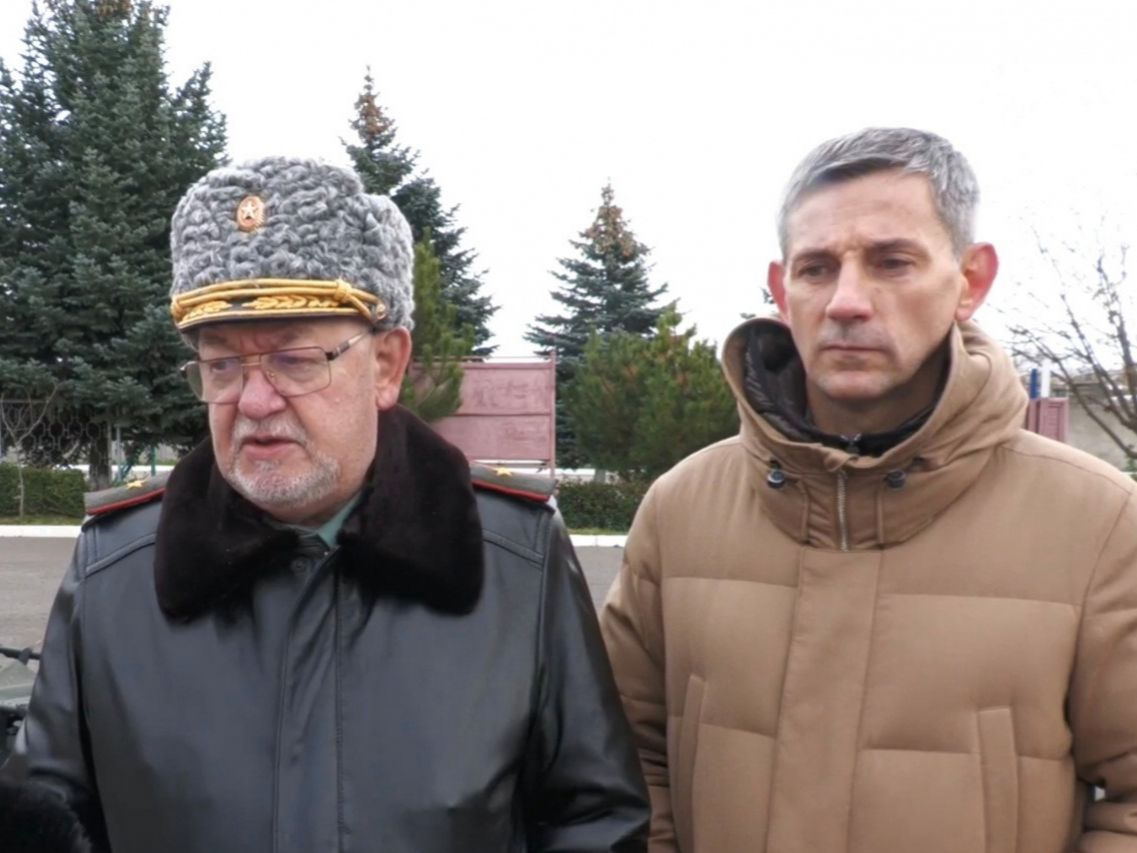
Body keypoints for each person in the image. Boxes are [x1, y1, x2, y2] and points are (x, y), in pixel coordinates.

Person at [6, 157, 649, 852]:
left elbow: (594, 820)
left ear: (386, 365)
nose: (254, 401)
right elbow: (48, 820)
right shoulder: (114, 566)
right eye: (223, 364)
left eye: (295, 360)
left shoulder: (514, 556)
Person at [600, 127, 1137, 852]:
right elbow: (623, 766)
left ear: (970, 280)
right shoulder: (682, 510)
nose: (847, 301)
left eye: (891, 262)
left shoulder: (1097, 522)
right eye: (816, 268)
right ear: (780, 290)